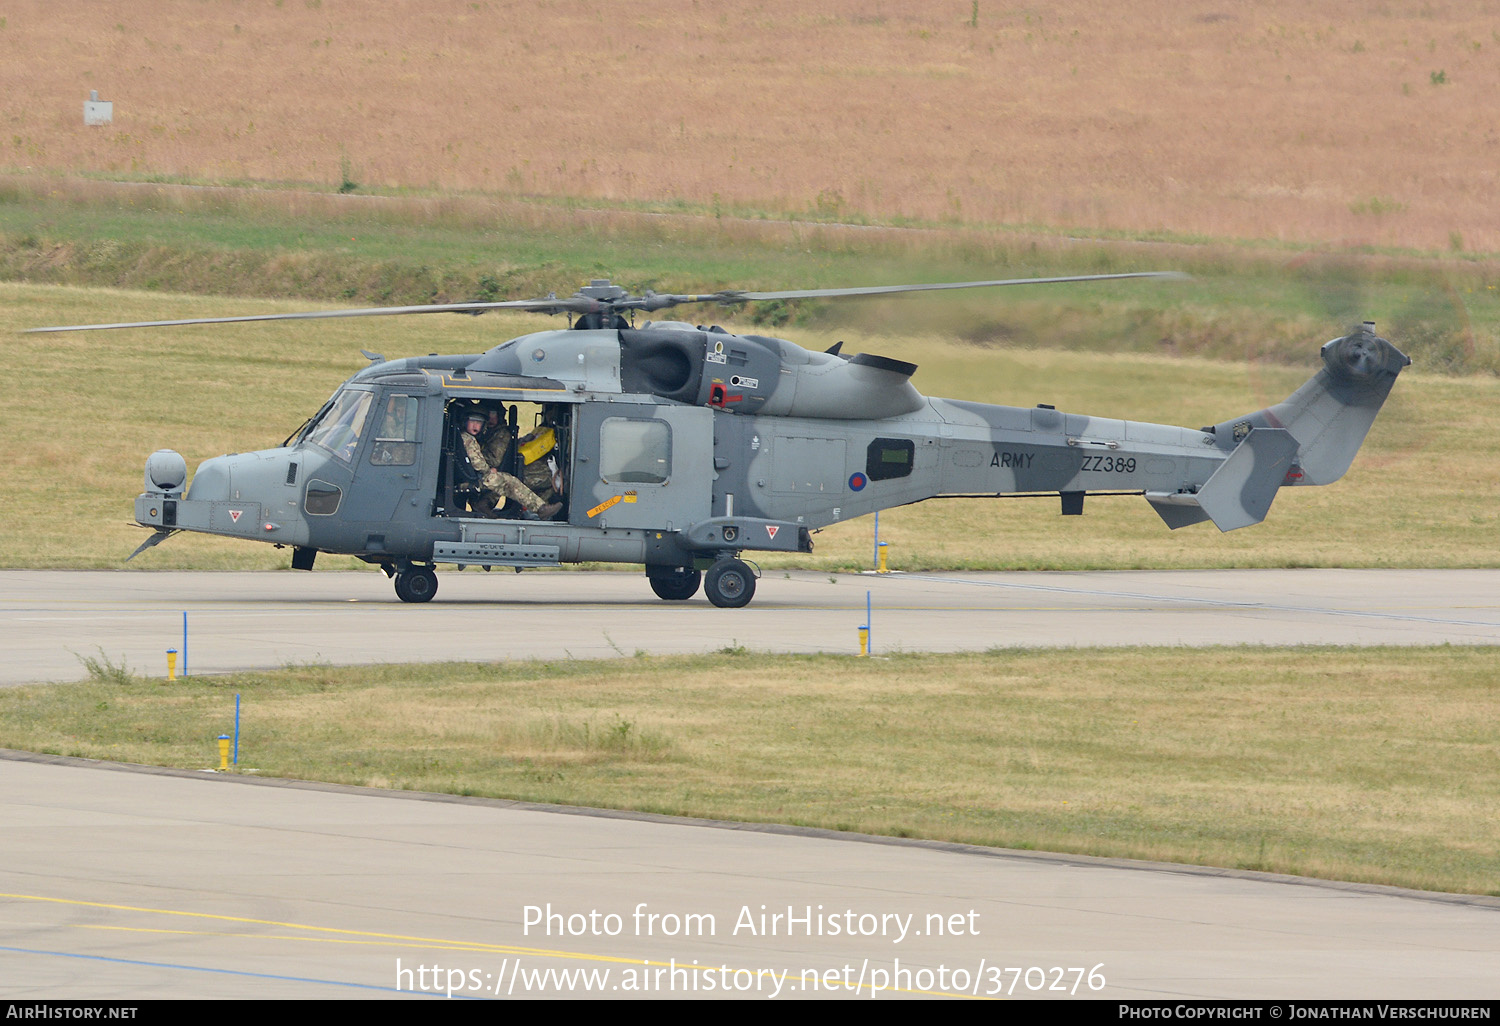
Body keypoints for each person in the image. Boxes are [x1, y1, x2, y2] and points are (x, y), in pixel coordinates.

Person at [461, 411, 562, 519]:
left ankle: (483, 504)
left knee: (502, 479)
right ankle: (541, 509)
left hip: (471, 476)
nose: (476, 426)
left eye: (479, 422)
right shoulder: (468, 439)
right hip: (472, 479)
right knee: (509, 481)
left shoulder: (468, 436)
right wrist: (488, 471)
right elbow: (479, 464)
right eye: (473, 421)